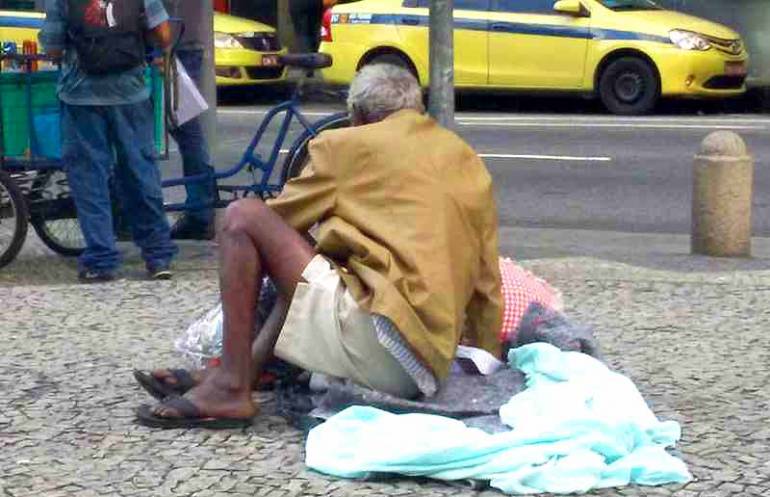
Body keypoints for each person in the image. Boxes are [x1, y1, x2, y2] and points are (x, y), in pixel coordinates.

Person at [136, 64, 503, 428]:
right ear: (416, 109)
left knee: (241, 218)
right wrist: (484, 364)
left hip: (380, 343)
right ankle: (238, 374)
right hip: (427, 367)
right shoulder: (465, 158)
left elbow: (266, 229)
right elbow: (488, 282)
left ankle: (230, 386)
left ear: (356, 116)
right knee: (321, 257)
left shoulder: (344, 145)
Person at [39, 0, 178, 282]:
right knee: (141, 170)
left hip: (81, 96)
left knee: (89, 179)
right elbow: (163, 34)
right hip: (131, 92)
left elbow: (52, 47)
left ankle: (102, 259)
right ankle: (158, 255)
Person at [162, 0, 217, 240]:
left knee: (185, 129)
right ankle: (201, 209)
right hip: (177, 42)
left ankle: (200, 211)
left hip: (170, 46)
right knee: (185, 130)